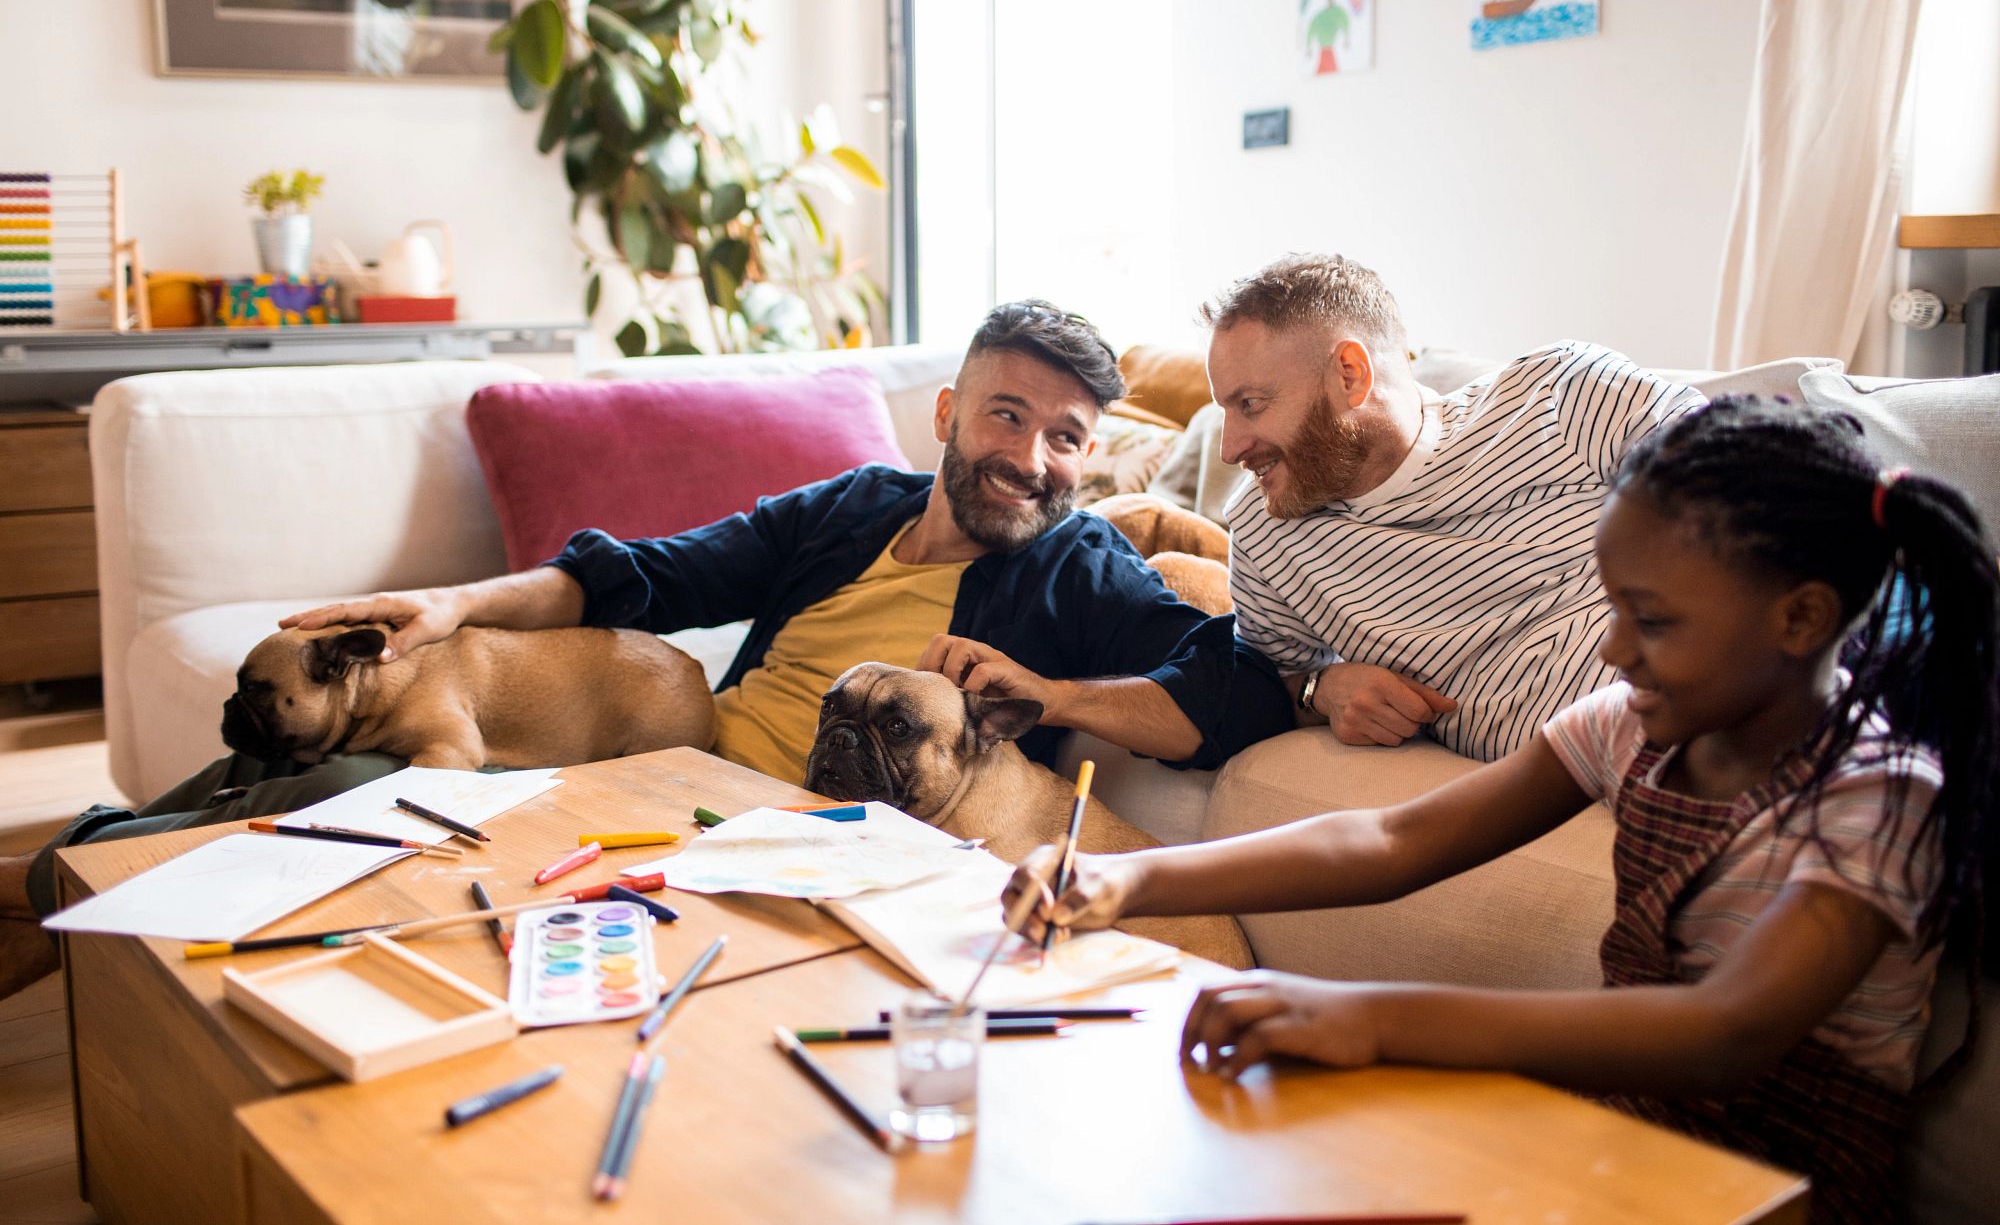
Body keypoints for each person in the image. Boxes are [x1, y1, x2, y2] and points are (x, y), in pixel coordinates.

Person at [0, 302, 1294, 998]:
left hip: (783, 849)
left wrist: (1059, 694)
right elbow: (650, 573)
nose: (1034, 457)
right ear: (950, 412)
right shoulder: (852, 508)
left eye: (1069, 436)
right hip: (644, 777)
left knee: (349, 805)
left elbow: (1229, 683)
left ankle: (54, 892)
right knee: (312, 791)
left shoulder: (1075, 570)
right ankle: (62, 880)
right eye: (1009, 415)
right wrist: (452, 607)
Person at [1003, 397, 1998, 1224]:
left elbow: (1721, 1031)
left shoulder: (1879, 796)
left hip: (1780, 1190)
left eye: (1650, 619)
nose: (1611, 650)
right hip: (1618, 1130)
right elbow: (1392, 839)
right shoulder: (1627, 726)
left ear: (1799, 617)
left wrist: (1372, 1018)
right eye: (1610, 607)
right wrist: (1126, 877)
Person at [1209, 252, 1704, 762]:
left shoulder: (1561, 393)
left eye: (1250, 405)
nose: (1229, 449)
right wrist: (1323, 687)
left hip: (1725, 706)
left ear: (1351, 374)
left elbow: (1755, 489)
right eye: (1223, 410)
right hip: (1605, 769)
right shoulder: (1262, 528)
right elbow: (1267, 688)